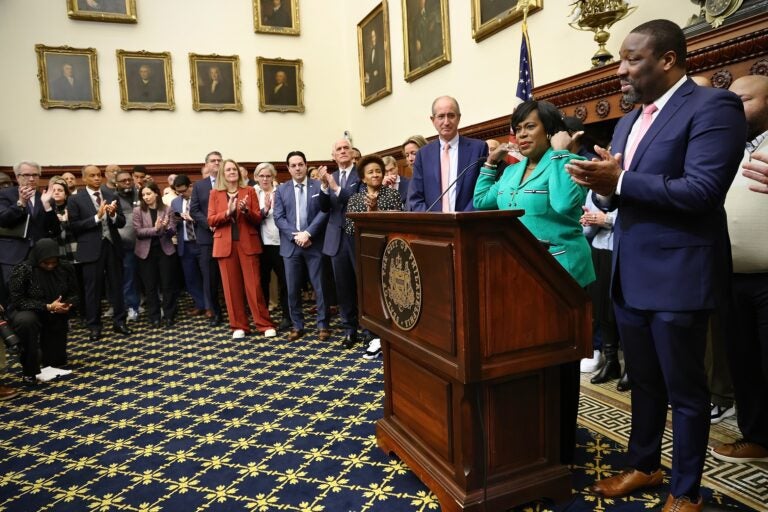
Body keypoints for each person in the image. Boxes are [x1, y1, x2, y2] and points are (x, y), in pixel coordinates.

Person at [565, 20, 746, 511]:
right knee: (644, 381)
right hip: (630, 273)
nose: (620, 70)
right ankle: (645, 465)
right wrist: (599, 182)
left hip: (679, 276)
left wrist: (619, 181)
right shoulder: (628, 121)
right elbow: (620, 195)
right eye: (621, 60)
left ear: (667, 59)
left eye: (631, 59)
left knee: (686, 392)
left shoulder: (714, 107)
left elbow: (702, 192)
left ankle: (686, 491)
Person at [474, 99, 595, 466]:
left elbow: (562, 204)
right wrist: (491, 165)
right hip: (522, 278)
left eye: (530, 127)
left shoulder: (571, 163)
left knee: (559, 366)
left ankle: (560, 448)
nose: (521, 134)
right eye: (518, 128)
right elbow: (481, 203)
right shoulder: (512, 171)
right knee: (528, 363)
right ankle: (533, 440)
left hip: (563, 276)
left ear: (551, 130)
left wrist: (560, 155)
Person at [710, 75, 768, 464]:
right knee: (744, 364)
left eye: (743, 99)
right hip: (730, 277)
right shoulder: (722, 146)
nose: (733, 108)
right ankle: (757, 437)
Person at [207, 159, 276, 340]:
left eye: (234, 169)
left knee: (254, 286)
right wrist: (227, 213)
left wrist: (245, 211)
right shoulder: (215, 193)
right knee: (231, 288)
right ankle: (239, 325)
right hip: (225, 246)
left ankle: (264, 324)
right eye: (228, 169)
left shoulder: (249, 191)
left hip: (248, 244)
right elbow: (211, 220)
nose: (232, 172)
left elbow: (256, 218)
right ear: (223, 173)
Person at [343, 154, 403, 359]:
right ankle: (372, 335)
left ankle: (390, 335)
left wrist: (375, 210)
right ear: (362, 178)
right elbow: (351, 228)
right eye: (371, 172)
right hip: (364, 254)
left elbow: (398, 225)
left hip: (389, 253)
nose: (375, 175)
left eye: (378, 171)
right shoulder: (355, 199)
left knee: (390, 292)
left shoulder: (392, 195)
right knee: (369, 293)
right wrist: (369, 211)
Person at [67, 165, 132, 341]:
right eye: (92, 175)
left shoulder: (112, 195)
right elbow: (73, 227)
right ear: (84, 179)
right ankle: (94, 326)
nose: (97, 178)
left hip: (112, 247)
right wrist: (96, 217)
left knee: (117, 286)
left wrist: (111, 215)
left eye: (98, 175)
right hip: (90, 250)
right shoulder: (76, 199)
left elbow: (121, 222)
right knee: (92, 290)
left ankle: (120, 322)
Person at [273, 151, 330, 342]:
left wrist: (308, 233)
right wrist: (296, 235)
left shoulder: (318, 185)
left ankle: (323, 325)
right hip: (291, 246)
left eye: (300, 164)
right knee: (292, 288)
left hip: (314, 243)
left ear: (306, 166)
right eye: (293, 165)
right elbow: (278, 217)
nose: (297, 168)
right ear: (288, 168)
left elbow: (325, 210)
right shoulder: (281, 190)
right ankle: (297, 325)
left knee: (320, 287)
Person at [8, 239, 79, 386]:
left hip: (56, 312)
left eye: (54, 262)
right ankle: (29, 369)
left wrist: (67, 305)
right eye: (46, 263)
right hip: (28, 311)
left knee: (56, 361)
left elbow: (75, 294)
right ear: (37, 258)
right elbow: (18, 301)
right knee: (26, 321)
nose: (50, 266)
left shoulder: (65, 267)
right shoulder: (23, 270)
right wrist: (47, 306)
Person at [408, 96, 488, 212]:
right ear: (433, 120)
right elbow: (416, 198)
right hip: (433, 226)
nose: (446, 122)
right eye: (441, 116)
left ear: (459, 118)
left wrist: (463, 220)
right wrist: (432, 222)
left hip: (468, 223)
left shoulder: (478, 148)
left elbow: (482, 190)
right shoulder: (423, 154)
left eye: (451, 115)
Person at [318, 139, 362, 348]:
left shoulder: (361, 174)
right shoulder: (331, 177)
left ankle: (370, 330)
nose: (343, 151)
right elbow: (324, 208)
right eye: (339, 149)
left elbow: (357, 202)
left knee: (363, 284)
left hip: (358, 237)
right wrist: (326, 189)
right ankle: (349, 329)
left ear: (352, 152)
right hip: (336, 240)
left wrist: (335, 188)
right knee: (343, 287)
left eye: (346, 148)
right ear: (333, 155)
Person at [0, 162, 59, 287]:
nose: (31, 179)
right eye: (26, 175)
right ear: (17, 177)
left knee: (39, 294)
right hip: (13, 255)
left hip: (39, 257)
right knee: (13, 295)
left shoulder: (45, 197)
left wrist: (47, 206)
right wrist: (21, 203)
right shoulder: (5, 194)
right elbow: (3, 220)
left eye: (35, 175)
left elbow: (55, 230)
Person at [133, 182, 178, 328]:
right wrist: (155, 229)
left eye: (149, 193)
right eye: (143, 195)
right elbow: (138, 232)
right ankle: (154, 316)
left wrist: (165, 228)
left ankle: (169, 315)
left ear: (156, 194)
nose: (146, 197)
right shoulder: (138, 211)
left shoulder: (167, 209)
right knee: (150, 286)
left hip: (165, 251)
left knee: (168, 285)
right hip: (146, 253)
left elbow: (173, 231)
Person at [254, 163, 291, 330]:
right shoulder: (252, 193)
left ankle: (287, 316)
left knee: (285, 282)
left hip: (280, 243)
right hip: (261, 245)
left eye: (268, 176)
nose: (265, 179)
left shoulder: (282, 191)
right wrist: (265, 209)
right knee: (262, 282)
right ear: (256, 177)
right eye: (261, 176)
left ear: (273, 176)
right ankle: (264, 317)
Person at [190, 152, 224, 325]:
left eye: (219, 160)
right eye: (213, 161)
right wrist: (209, 223)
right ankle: (216, 312)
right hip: (207, 239)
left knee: (229, 277)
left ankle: (235, 310)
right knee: (210, 279)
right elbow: (193, 210)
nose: (217, 163)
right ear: (206, 165)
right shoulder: (199, 186)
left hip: (228, 236)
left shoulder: (229, 181)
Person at [170, 174, 206, 317]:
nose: (182, 194)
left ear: (190, 186)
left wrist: (194, 219)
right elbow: (173, 222)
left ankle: (210, 306)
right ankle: (200, 304)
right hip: (185, 244)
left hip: (201, 242)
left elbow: (206, 220)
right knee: (191, 278)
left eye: (184, 191)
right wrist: (176, 220)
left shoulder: (201, 199)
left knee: (207, 276)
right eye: (179, 192)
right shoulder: (175, 202)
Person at [114, 170, 140, 321]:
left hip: (146, 242)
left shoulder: (141, 193)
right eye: (123, 180)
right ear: (116, 183)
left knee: (150, 277)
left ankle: (156, 306)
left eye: (129, 180)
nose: (127, 182)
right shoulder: (113, 198)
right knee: (129, 278)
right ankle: (132, 307)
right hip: (126, 245)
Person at [364, 29, 385, 97]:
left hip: (378, 79)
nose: (373, 39)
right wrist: (367, 74)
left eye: (374, 36)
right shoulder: (371, 50)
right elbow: (368, 66)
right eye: (372, 37)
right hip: (372, 80)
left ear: (376, 36)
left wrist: (377, 71)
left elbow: (381, 63)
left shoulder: (380, 48)